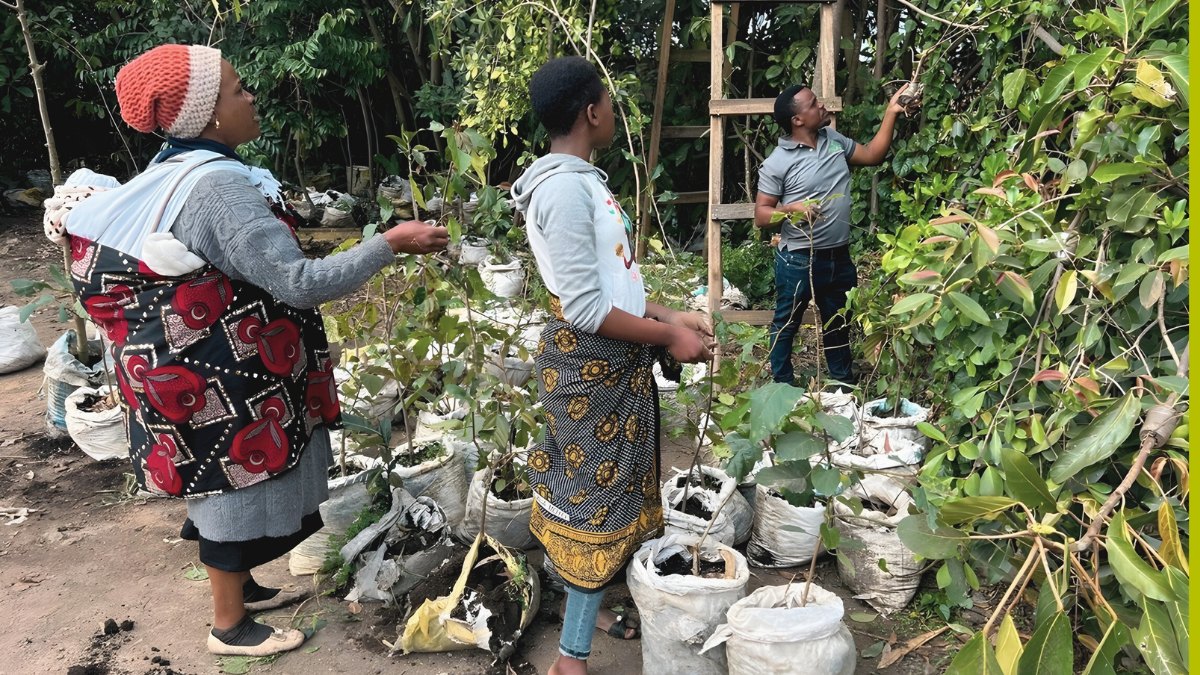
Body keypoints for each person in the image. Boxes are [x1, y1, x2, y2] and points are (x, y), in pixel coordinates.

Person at [58, 44, 447, 657]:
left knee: (225, 481)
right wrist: (390, 244)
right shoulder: (216, 190)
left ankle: (242, 589)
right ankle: (229, 627)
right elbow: (298, 281)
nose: (252, 97)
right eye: (238, 89)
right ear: (207, 114)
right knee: (231, 488)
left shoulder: (177, 169)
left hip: (205, 368)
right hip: (222, 378)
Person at [510, 56, 714, 675]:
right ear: (591, 111)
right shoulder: (564, 190)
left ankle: (584, 607)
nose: (615, 113)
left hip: (610, 363)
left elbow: (611, 286)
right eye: (608, 102)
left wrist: (670, 314)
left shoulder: (582, 181)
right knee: (595, 506)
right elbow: (585, 309)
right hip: (590, 369)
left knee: (602, 495)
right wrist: (669, 336)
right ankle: (569, 661)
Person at [754, 83, 909, 387]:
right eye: (814, 104)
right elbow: (761, 216)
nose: (822, 105)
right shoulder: (777, 162)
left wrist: (892, 111)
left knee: (838, 324)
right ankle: (783, 387)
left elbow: (872, 154)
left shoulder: (834, 140)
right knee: (787, 324)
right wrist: (792, 209)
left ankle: (843, 386)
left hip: (839, 256)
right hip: (799, 259)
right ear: (797, 120)